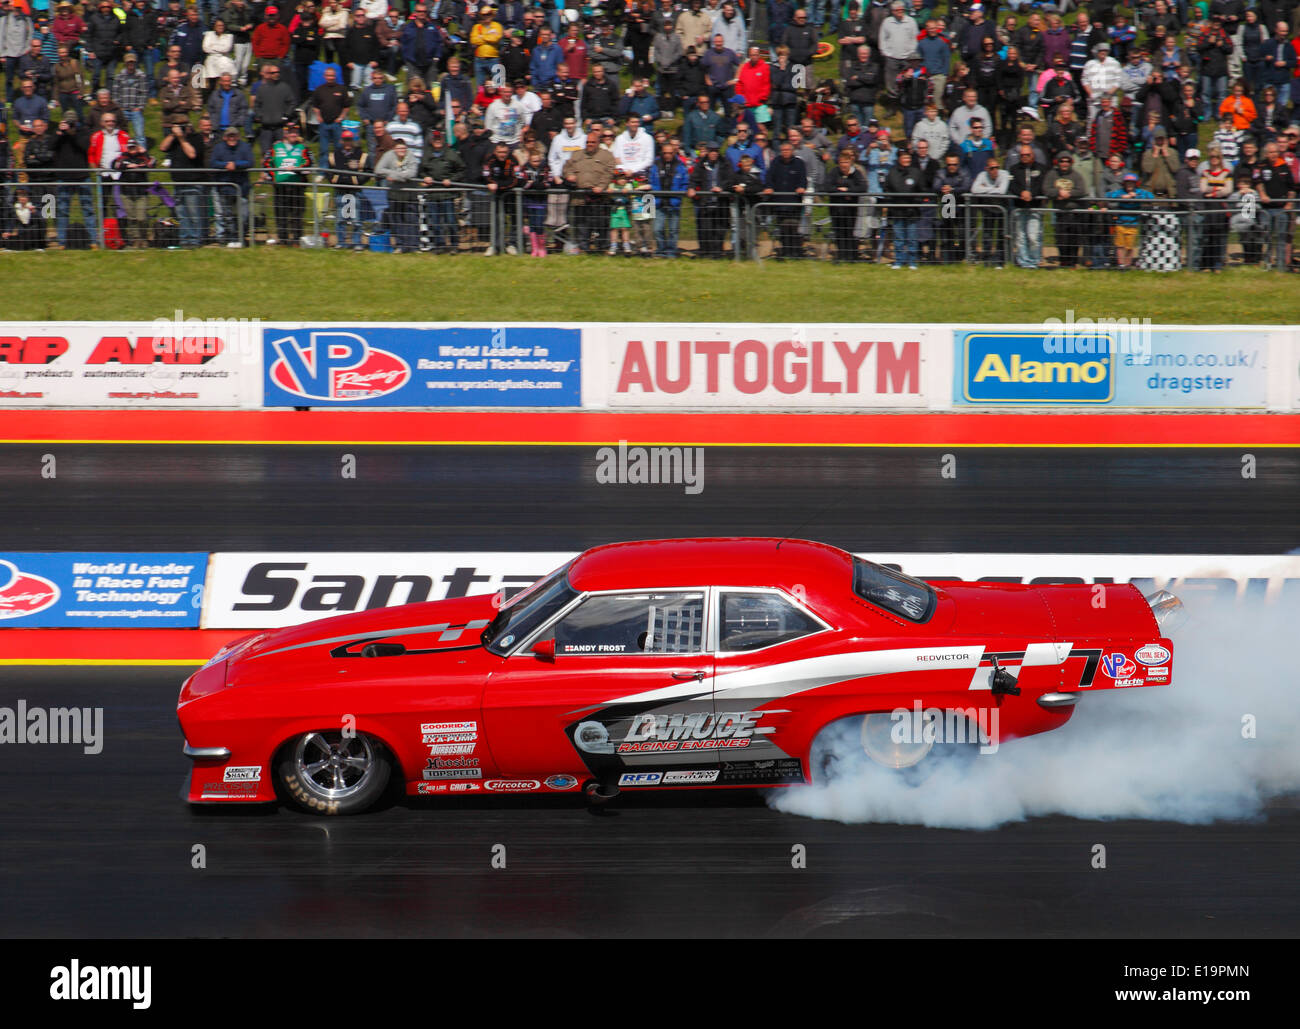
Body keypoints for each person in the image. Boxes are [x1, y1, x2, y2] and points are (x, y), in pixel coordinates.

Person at [763, 138, 807, 258]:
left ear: (792, 150)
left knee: (793, 228)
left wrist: (802, 187)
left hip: (794, 203)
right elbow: (769, 177)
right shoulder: (775, 162)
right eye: (783, 150)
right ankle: (785, 252)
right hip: (779, 203)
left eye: (788, 150)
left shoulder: (799, 163)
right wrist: (769, 187)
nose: (785, 152)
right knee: (783, 229)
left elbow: (803, 179)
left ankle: (795, 252)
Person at [208, 124, 251, 246]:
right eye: (229, 136)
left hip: (241, 187)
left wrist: (236, 164)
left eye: (234, 136)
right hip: (224, 187)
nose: (232, 138)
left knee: (244, 214)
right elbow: (213, 162)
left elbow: (250, 161)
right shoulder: (219, 148)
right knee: (227, 215)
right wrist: (226, 165)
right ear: (225, 137)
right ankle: (231, 238)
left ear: (238, 136)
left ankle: (241, 237)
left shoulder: (245, 147)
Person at [267, 119, 308, 245]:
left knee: (296, 214)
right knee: (281, 213)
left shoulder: (302, 148)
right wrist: (274, 176)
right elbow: (267, 163)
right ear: (285, 133)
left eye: (295, 132)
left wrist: (297, 169)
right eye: (290, 132)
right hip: (280, 186)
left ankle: (296, 239)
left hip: (297, 186)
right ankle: (283, 240)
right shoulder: (276, 147)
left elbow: (309, 163)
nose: (293, 134)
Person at [825, 145, 867, 261]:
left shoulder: (856, 173)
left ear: (850, 162)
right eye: (842, 162)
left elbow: (863, 187)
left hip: (850, 209)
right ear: (839, 163)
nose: (844, 165)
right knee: (839, 233)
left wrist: (848, 190)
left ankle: (852, 256)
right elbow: (827, 186)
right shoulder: (834, 172)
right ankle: (841, 256)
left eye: (846, 162)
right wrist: (839, 190)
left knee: (850, 232)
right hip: (836, 209)